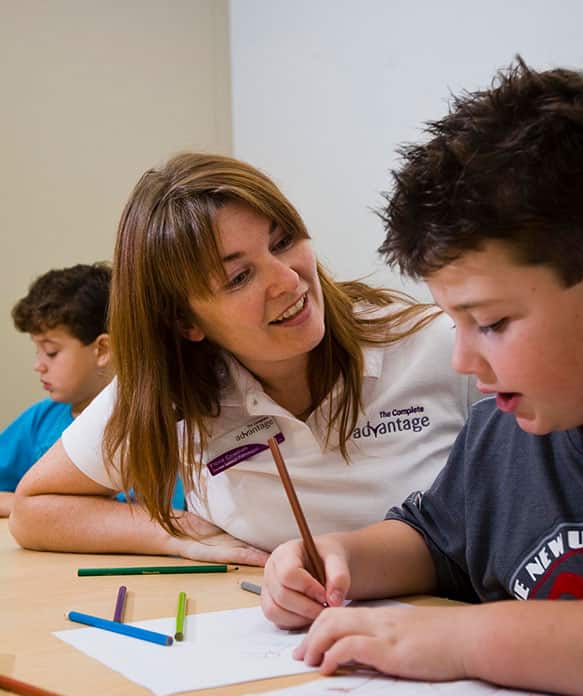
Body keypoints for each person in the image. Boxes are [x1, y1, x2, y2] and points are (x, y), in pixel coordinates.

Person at [260, 60, 583, 696]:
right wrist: (335, 557)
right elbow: (434, 542)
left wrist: (466, 640)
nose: (465, 360)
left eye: (490, 323)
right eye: (454, 322)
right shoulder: (505, 432)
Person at [10, 153, 475, 564]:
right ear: (184, 322)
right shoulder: (174, 384)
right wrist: (179, 535)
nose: (288, 281)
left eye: (283, 241)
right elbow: (34, 509)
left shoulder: (437, 343)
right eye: (238, 277)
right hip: (269, 635)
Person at [1, 263, 185, 518]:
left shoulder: (152, 423)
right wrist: (26, 507)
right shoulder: (41, 419)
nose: (38, 365)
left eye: (51, 352)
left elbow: (161, 517)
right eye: (37, 350)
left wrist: (38, 509)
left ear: (103, 350)